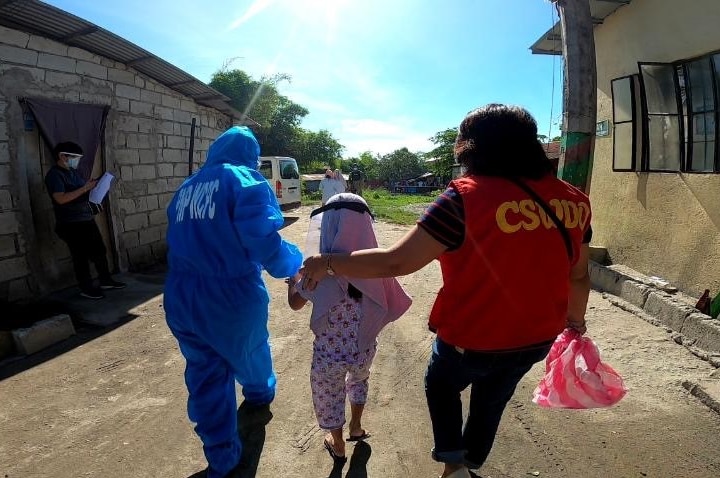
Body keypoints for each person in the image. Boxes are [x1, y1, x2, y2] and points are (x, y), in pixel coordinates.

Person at [301, 104, 592, 478]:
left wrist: (328, 261)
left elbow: (396, 262)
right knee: (493, 399)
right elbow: (580, 275)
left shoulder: (464, 197)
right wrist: (576, 322)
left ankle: (453, 465)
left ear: (473, 148)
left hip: (471, 335)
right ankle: (469, 464)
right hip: (538, 336)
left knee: (441, 386)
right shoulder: (575, 201)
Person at [163, 126, 303, 478]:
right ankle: (259, 394)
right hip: (228, 295)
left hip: (180, 294)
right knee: (251, 351)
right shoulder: (246, 180)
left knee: (204, 372)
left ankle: (221, 457)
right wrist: (293, 264)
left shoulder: (186, 188)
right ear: (250, 154)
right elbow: (261, 238)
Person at [286, 193, 411, 466]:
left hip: (327, 356)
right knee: (359, 381)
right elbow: (389, 301)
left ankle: (338, 442)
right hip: (363, 350)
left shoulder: (315, 270)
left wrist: (292, 282)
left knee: (328, 393)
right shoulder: (374, 270)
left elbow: (295, 304)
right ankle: (356, 426)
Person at [45, 141, 125, 299]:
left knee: (99, 251)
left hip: (85, 219)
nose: (77, 161)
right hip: (70, 223)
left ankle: (105, 280)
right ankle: (86, 288)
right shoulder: (55, 175)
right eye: (75, 157)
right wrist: (85, 188)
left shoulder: (73, 173)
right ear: (62, 156)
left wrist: (95, 199)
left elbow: (83, 195)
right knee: (80, 256)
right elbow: (60, 199)